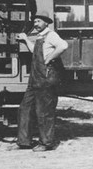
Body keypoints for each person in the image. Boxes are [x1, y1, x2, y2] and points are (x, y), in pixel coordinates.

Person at [15, 11, 68, 152]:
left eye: (38, 21)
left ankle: (47, 143)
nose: (35, 24)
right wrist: (26, 39)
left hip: (45, 77)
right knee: (25, 107)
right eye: (35, 21)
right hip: (35, 78)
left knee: (44, 111)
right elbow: (35, 51)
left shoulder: (51, 35)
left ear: (46, 22)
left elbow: (63, 46)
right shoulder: (40, 37)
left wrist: (50, 58)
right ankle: (24, 141)